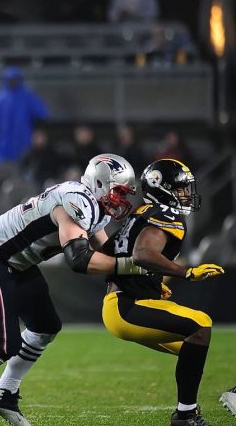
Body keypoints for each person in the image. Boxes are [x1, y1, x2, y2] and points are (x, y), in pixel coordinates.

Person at [0, 154, 142, 426]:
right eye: (118, 192)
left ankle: (5, 393)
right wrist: (134, 267)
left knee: (45, 327)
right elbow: (80, 259)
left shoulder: (95, 208)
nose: (122, 200)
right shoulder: (77, 202)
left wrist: (143, 275)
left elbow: (106, 253)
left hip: (18, 263)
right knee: (4, 343)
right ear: (100, 184)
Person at [101, 159, 224, 426]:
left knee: (194, 347)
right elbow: (143, 254)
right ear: (162, 188)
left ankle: (190, 411)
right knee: (201, 324)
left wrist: (152, 280)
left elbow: (109, 255)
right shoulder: (165, 215)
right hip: (127, 305)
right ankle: (185, 415)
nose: (186, 194)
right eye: (181, 189)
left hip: (122, 302)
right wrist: (186, 272)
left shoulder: (140, 213)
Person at [0, 67, 48, 164]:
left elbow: (41, 115)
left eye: (15, 79)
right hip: (3, 140)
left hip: (23, 138)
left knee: (24, 162)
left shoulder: (28, 96)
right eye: (10, 79)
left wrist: (38, 132)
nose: (13, 82)